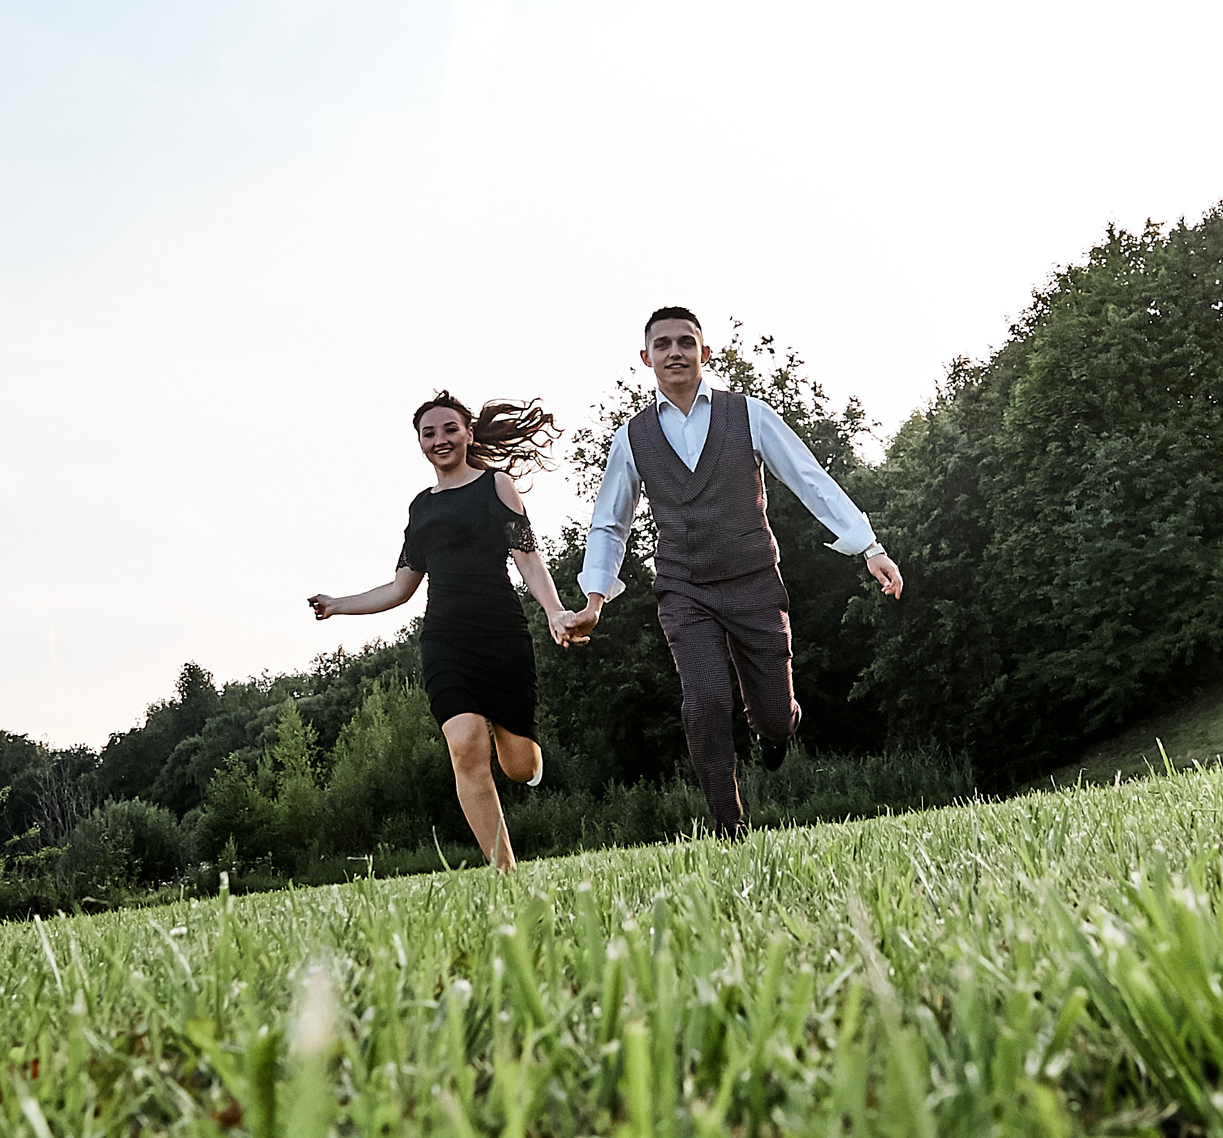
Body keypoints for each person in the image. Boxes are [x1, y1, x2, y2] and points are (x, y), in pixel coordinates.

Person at [561, 307, 903, 837]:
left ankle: (776, 729)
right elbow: (609, 524)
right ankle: (728, 826)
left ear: (705, 351)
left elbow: (808, 478)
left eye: (686, 342)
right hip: (684, 589)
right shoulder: (633, 438)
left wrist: (869, 547)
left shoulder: (748, 414)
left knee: (770, 715)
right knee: (704, 701)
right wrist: (594, 599)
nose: (675, 352)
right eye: (663, 344)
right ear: (646, 357)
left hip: (753, 581)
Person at [309, 393, 575, 872]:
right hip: (445, 641)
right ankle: (505, 873)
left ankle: (521, 753)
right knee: (464, 745)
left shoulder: (497, 485)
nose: (440, 440)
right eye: (428, 434)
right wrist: (337, 605)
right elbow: (400, 588)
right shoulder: (421, 508)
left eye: (449, 429)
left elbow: (529, 558)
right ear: (419, 444)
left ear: (468, 434)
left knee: (519, 767)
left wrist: (555, 612)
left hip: (501, 636)